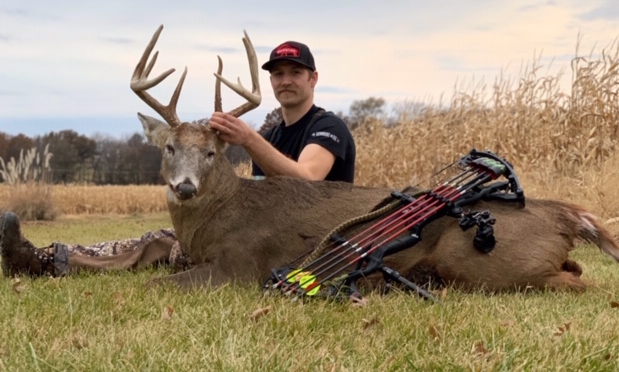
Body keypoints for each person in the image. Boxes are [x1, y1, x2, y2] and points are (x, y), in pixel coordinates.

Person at [0, 40, 356, 278]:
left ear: (314, 79)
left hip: (307, 237)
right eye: (278, 74)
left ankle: (49, 261)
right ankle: (47, 260)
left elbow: (308, 179)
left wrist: (247, 139)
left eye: (295, 73)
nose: (286, 80)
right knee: (155, 241)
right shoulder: (273, 131)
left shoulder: (328, 126)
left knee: (164, 247)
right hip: (264, 229)